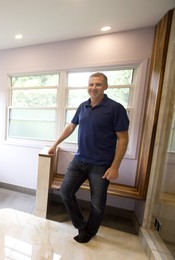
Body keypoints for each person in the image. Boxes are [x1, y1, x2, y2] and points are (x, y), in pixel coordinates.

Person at [48, 72, 129, 243]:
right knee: (65, 191)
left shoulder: (116, 108)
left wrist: (115, 167)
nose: (94, 88)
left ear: (105, 87)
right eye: (91, 84)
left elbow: (123, 139)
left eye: (98, 84)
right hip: (79, 160)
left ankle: (89, 232)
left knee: (97, 204)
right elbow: (71, 126)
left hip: (101, 164)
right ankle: (80, 225)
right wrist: (55, 144)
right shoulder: (82, 106)